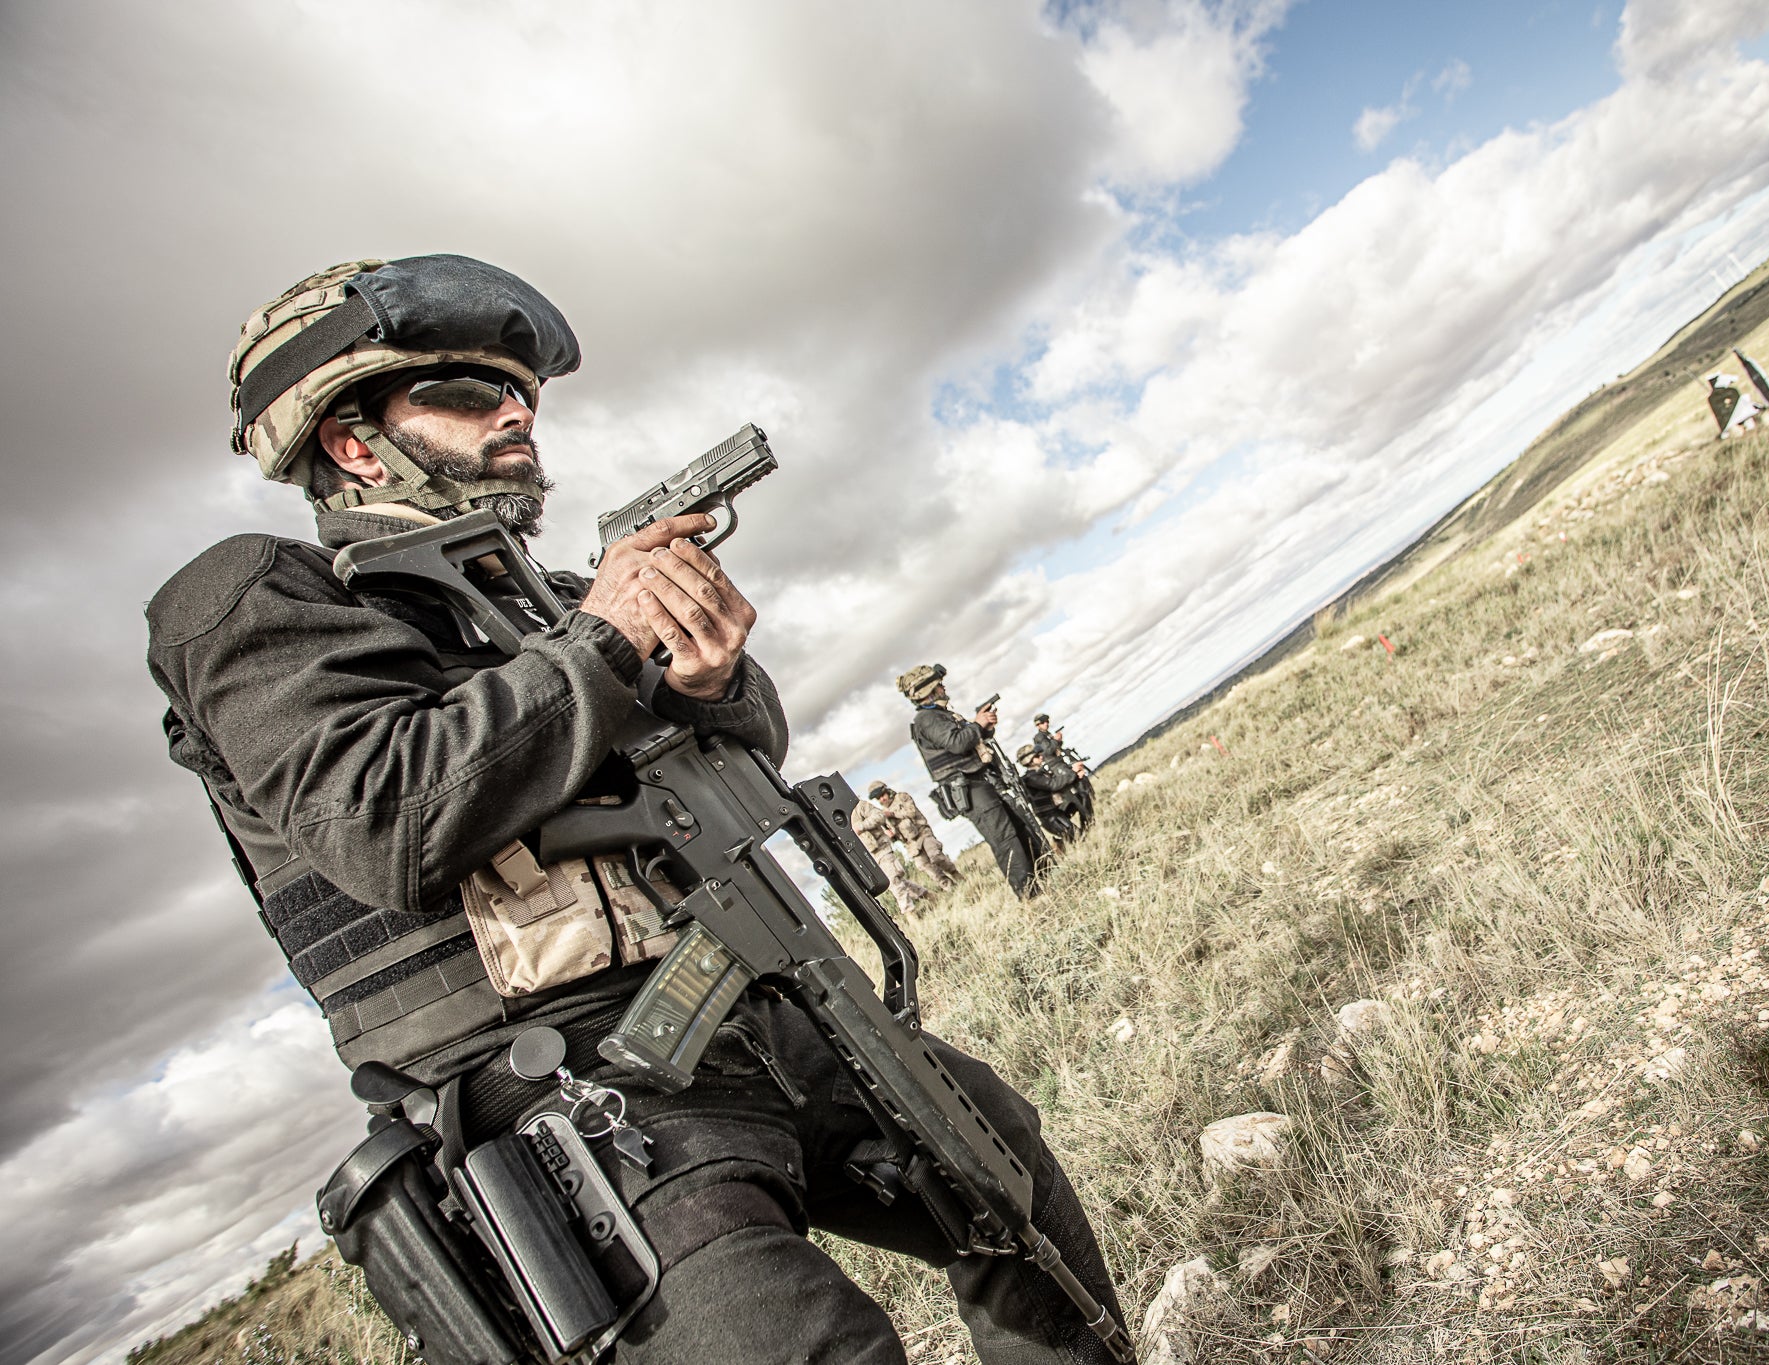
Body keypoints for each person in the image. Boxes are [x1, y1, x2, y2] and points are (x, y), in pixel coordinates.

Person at [147, 255, 1126, 1364]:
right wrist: (605, 641)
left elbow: (746, 738)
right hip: (562, 1089)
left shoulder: (553, 597)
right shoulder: (254, 598)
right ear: (351, 440)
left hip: (755, 1018)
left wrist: (704, 678)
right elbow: (382, 813)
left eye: (521, 392)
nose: (515, 410)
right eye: (465, 392)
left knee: (1003, 1174)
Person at [897, 665, 1048, 900]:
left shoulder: (941, 714)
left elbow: (970, 742)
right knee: (1005, 839)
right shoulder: (926, 718)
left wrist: (984, 727)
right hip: (969, 788)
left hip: (981, 782)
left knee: (1019, 828)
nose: (943, 687)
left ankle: (1044, 879)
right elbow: (957, 743)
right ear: (929, 690)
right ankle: (1029, 894)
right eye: (938, 684)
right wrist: (977, 724)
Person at [869, 780, 961, 888]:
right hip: (910, 843)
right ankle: (950, 887)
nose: (882, 799)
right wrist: (891, 836)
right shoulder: (883, 813)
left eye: (882, 795)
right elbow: (894, 834)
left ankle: (956, 875)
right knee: (925, 866)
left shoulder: (902, 797)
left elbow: (911, 812)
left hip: (922, 832)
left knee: (935, 856)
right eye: (878, 798)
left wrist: (892, 814)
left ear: (887, 791)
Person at [851, 794, 932, 911]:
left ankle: (910, 912)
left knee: (894, 881)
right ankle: (927, 895)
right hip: (870, 855)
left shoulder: (860, 806)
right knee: (894, 881)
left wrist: (861, 826)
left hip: (882, 848)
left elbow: (879, 815)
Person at [1015, 746, 1084, 850]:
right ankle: (1059, 849)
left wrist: (1075, 776)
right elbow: (1053, 784)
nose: (1041, 757)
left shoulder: (1040, 773)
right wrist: (1072, 772)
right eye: (1037, 756)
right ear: (1029, 761)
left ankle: (1060, 845)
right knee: (1078, 837)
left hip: (1057, 812)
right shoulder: (1031, 778)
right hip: (1050, 818)